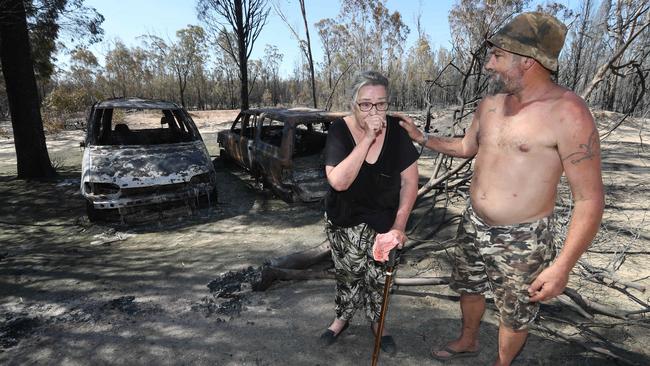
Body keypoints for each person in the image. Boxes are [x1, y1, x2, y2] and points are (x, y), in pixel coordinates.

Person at [398, 12, 604, 365]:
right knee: (468, 286)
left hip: (523, 237)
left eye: (497, 56)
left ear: (526, 62)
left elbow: (590, 199)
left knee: (514, 311)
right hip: (473, 223)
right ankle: (468, 339)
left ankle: (502, 363)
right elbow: (467, 147)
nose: (488, 64)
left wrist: (562, 267)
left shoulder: (568, 113)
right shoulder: (490, 103)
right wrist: (423, 138)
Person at [319, 71, 419, 355]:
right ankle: (342, 318)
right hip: (345, 219)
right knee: (348, 275)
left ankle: (379, 323)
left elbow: (410, 181)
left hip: (384, 222)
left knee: (380, 278)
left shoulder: (397, 132)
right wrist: (367, 138)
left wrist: (399, 225)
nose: (374, 111)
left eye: (381, 104)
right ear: (354, 104)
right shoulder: (339, 129)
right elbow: (338, 181)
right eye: (365, 104)